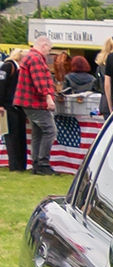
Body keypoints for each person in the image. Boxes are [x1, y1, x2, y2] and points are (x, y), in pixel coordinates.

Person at [13, 35, 58, 175]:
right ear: (43, 45)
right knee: (50, 131)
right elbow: (40, 82)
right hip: (35, 102)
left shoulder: (29, 57)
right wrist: (48, 98)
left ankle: (36, 163)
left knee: (38, 132)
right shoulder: (36, 59)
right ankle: (43, 163)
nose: (48, 52)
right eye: (49, 49)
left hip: (28, 101)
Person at [1, 47, 27, 171]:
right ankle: (15, 165)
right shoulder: (8, 66)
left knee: (18, 135)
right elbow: (1, 85)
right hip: (8, 105)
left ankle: (20, 164)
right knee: (11, 136)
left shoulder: (17, 68)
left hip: (16, 106)